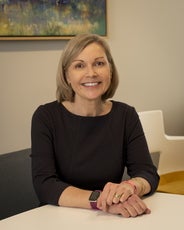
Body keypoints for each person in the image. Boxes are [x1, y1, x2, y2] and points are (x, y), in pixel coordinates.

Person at [31, 33, 159, 218]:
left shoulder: (126, 115)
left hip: (109, 220)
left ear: (110, 70)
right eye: (79, 65)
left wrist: (131, 187)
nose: (91, 73)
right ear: (67, 75)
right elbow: (45, 185)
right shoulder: (46, 117)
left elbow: (147, 173)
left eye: (99, 63)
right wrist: (101, 201)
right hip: (58, 219)